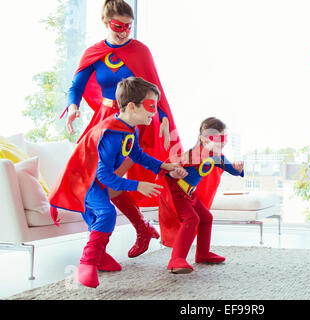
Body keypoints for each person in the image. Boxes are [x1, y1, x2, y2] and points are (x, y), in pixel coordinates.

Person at [63, 0, 183, 258]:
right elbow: (76, 86)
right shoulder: (94, 52)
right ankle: (120, 236)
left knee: (109, 179)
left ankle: (130, 234)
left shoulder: (140, 51)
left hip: (132, 123)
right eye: (119, 26)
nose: (124, 31)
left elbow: (154, 90)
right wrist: (72, 106)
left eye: (129, 26)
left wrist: (162, 117)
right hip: (102, 122)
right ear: (106, 23)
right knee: (87, 181)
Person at [48, 77, 187, 288]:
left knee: (100, 217)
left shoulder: (129, 129)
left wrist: (162, 166)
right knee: (106, 213)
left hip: (95, 181)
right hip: (83, 182)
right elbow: (103, 176)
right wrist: (138, 185)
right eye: (151, 106)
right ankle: (87, 264)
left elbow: (138, 155)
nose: (154, 112)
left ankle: (100, 257)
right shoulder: (112, 133)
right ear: (131, 106)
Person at [157, 117, 244, 274]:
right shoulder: (192, 155)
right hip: (177, 192)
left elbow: (232, 169)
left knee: (206, 218)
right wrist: (174, 173)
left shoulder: (216, 156)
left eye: (224, 138)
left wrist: (238, 169)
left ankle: (203, 253)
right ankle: (176, 260)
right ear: (203, 138)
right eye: (216, 138)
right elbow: (166, 169)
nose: (222, 142)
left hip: (189, 193)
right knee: (192, 218)